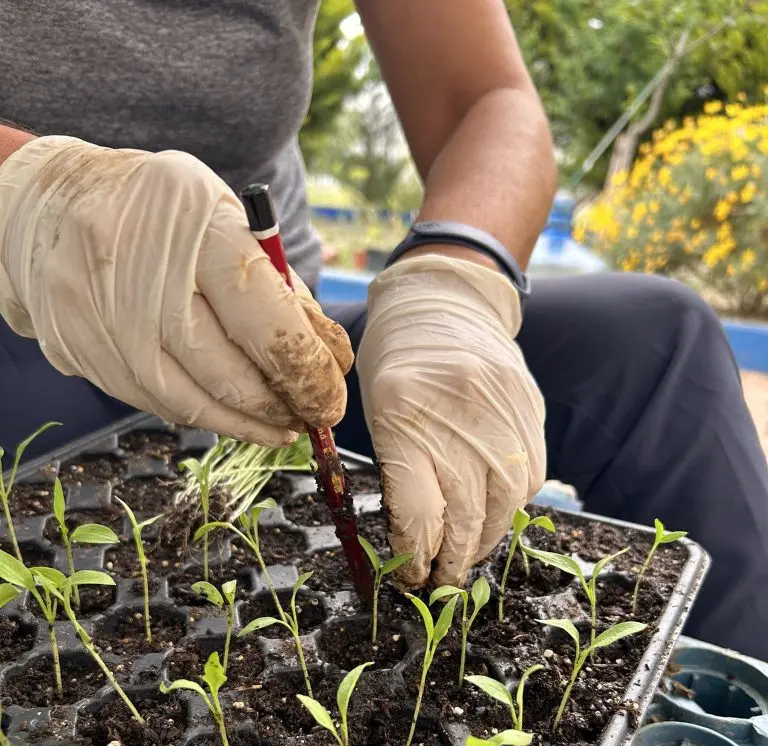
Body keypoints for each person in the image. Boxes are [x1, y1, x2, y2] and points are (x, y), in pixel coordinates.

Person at [0, 0, 767, 666]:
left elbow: (488, 99)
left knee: (657, 343)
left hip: (288, 339)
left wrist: (455, 280)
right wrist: (30, 200)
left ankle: (736, 737)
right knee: (55, 484)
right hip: (24, 325)